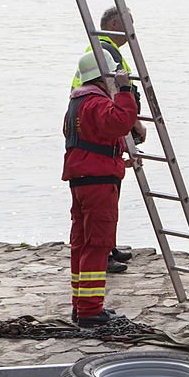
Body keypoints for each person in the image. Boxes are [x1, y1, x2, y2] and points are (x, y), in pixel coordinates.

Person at [63, 52, 138, 327]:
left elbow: (90, 138)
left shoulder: (77, 102)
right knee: (98, 244)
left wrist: (116, 159)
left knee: (81, 244)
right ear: (104, 75)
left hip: (82, 178)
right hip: (98, 182)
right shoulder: (97, 102)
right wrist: (125, 90)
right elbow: (121, 121)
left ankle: (80, 305)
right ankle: (91, 310)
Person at [72, 6, 148, 273]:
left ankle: (108, 246)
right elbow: (115, 92)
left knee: (100, 209)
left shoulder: (95, 51)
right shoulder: (107, 53)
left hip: (90, 133)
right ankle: (104, 251)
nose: (132, 29)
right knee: (103, 205)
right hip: (103, 130)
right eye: (129, 22)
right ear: (115, 23)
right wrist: (134, 124)